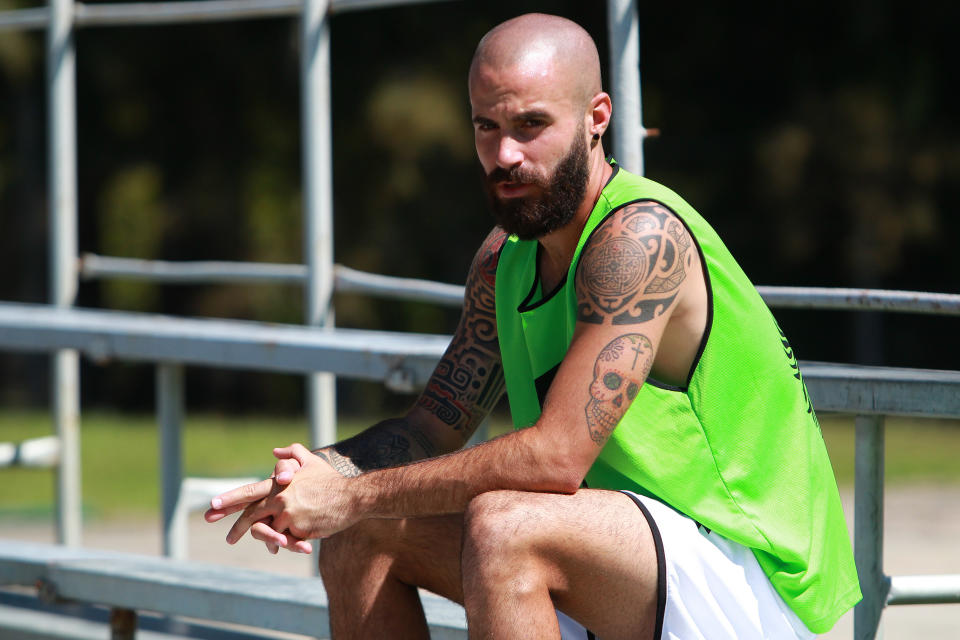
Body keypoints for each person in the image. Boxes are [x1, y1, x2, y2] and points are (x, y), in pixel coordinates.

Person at [205, 13, 861, 639]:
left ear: (596, 118)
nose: (505, 153)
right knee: (362, 529)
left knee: (504, 524)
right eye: (486, 127)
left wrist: (351, 495)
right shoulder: (504, 260)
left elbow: (554, 458)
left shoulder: (638, 237)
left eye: (531, 124)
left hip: (751, 578)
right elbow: (428, 429)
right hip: (617, 553)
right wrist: (318, 480)